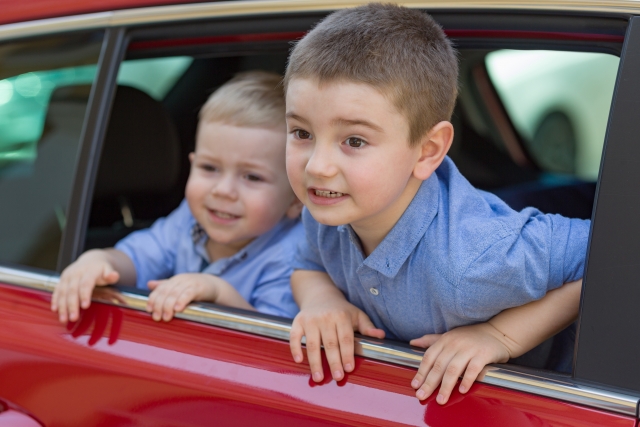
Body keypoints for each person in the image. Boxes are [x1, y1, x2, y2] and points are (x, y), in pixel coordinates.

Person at [284, 4, 587, 404]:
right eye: (301, 132)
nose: (317, 167)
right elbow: (307, 263)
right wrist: (323, 299)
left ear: (427, 151)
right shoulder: (323, 212)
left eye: (353, 141)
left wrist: (499, 335)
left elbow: (610, 255)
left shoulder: (473, 260)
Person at [52, 71, 303, 323]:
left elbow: (274, 345)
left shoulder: (294, 257)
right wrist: (101, 261)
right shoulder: (189, 219)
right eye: (210, 168)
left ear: (295, 199)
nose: (223, 190)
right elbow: (138, 258)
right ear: (192, 165)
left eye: (252, 177)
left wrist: (218, 292)